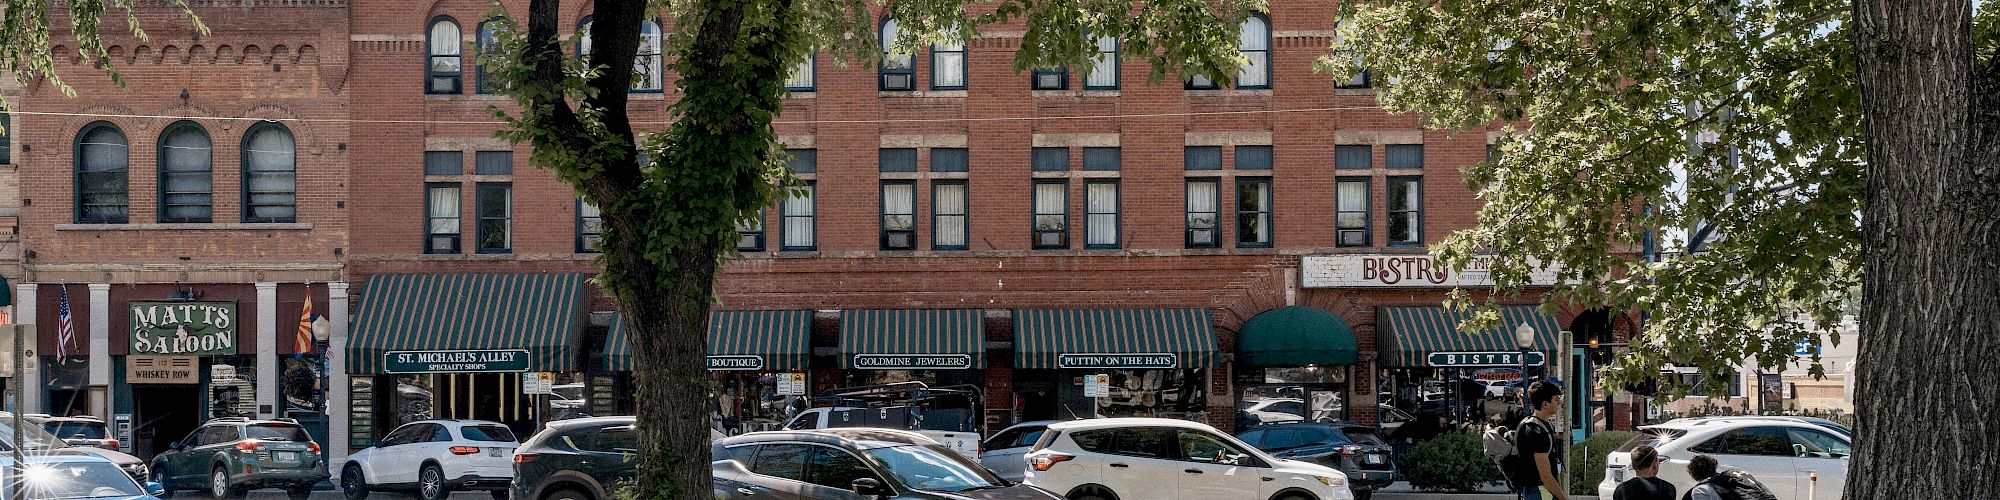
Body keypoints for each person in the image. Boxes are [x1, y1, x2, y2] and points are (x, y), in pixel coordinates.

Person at [1514, 381, 1566, 500]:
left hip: (1542, 490)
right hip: (1540, 491)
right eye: (1556, 399)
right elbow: (1545, 475)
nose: (1559, 402)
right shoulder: (1534, 431)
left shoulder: (1543, 424)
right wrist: (1563, 498)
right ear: (1545, 404)